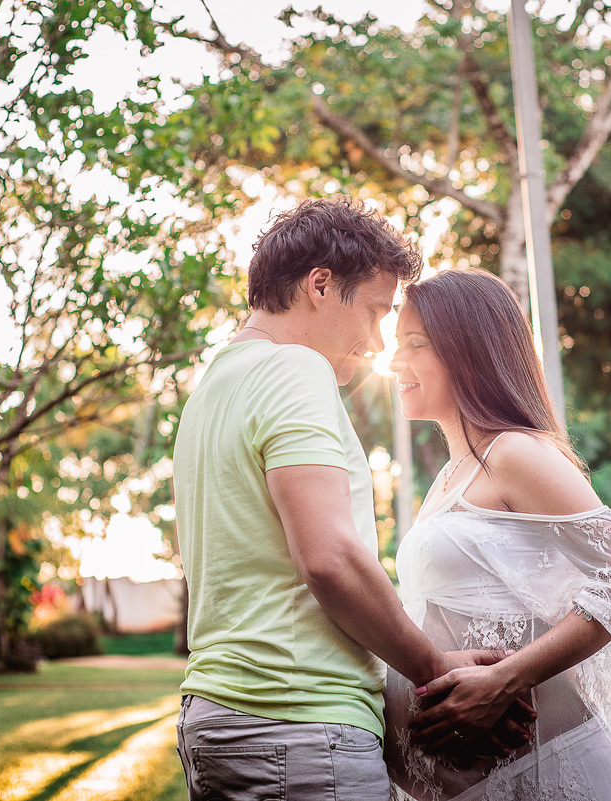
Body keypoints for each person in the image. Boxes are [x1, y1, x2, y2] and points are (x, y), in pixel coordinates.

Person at [171, 198, 527, 801]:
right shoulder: (293, 370)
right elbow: (328, 557)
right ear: (319, 285)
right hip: (299, 728)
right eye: (374, 312)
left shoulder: (213, 386)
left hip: (220, 724)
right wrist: (437, 673)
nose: (374, 342)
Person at [384, 268, 611, 801]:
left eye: (414, 344)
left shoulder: (514, 452)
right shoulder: (449, 477)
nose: (393, 362)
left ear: (468, 350)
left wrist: (504, 681)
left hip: (548, 773)